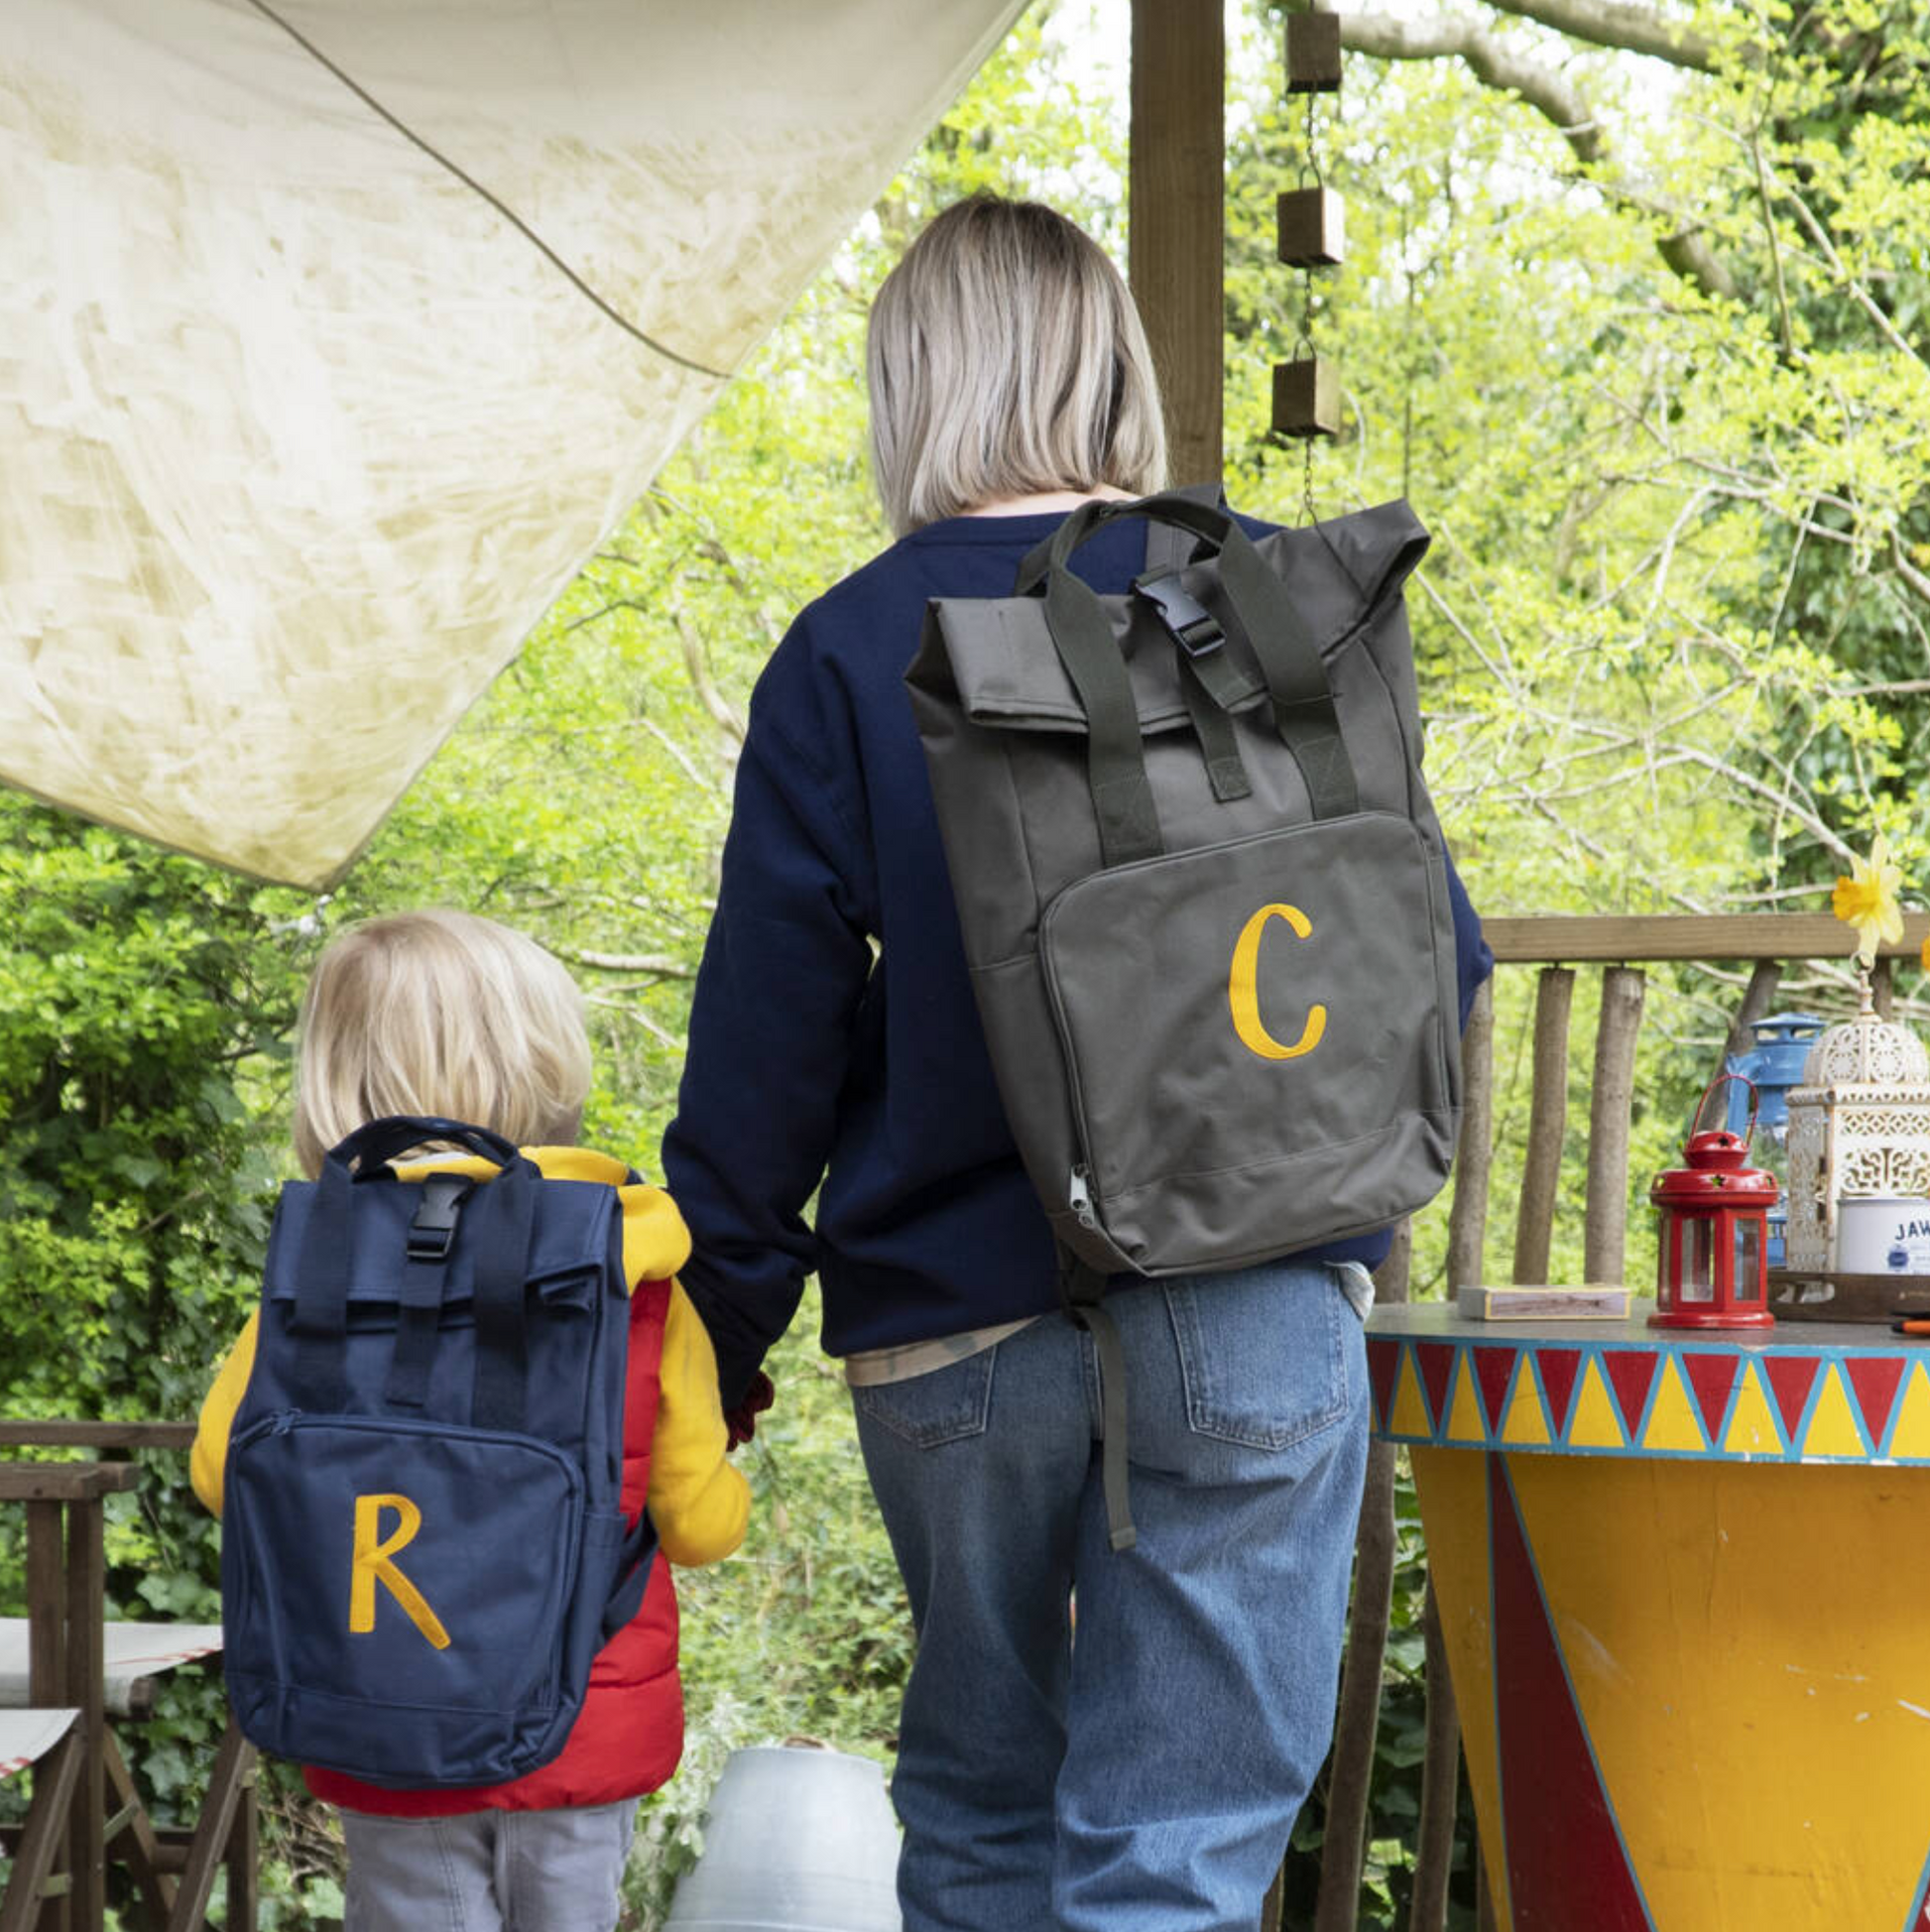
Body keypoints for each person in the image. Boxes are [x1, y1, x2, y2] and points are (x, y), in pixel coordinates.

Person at [661, 192, 1492, 1932]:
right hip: (1252, 1296)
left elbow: (759, 1074)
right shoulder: (1268, 608)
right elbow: (1444, 953)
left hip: (954, 1330)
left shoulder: (844, 648)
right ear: (1109, 362)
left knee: (975, 1818)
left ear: (915, 386)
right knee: (1175, 1863)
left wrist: (708, 1359)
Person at [192, 909, 750, 1932]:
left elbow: (225, 1475)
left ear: (335, 1083)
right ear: (546, 1062)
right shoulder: (629, 1272)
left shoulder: (315, 1277)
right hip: (580, 1721)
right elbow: (700, 1525)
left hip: (375, 1706)